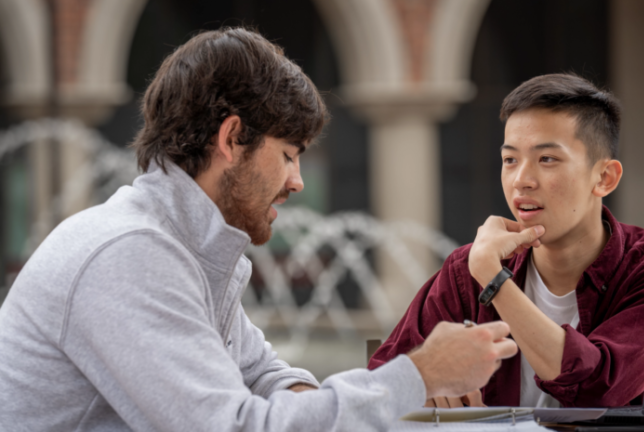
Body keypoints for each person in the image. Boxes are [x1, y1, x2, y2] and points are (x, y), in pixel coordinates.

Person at [0, 28, 520, 432]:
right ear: (232, 138)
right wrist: (420, 374)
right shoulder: (130, 255)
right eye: (289, 155)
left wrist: (373, 397)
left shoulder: (188, 246)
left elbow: (265, 378)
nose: (297, 182)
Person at [369, 73, 644, 409]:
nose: (521, 180)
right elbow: (378, 385)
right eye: (510, 160)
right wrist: (422, 384)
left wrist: (495, 281)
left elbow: (595, 390)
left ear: (604, 178)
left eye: (547, 159)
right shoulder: (467, 269)